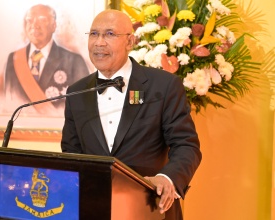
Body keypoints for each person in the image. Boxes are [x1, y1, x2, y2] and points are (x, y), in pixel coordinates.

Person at [61, 9, 202, 220]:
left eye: (109, 34)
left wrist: (166, 178)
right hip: (93, 209)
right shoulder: (76, 91)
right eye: (93, 34)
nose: (99, 42)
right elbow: (71, 152)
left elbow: (186, 145)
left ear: (130, 41)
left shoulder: (163, 86)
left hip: (150, 207)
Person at [4, 4, 89, 115]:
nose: (35, 25)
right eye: (29, 21)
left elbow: (83, 106)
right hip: (21, 129)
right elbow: (9, 101)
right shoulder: (14, 59)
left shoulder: (74, 61)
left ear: (54, 26)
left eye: (42, 20)